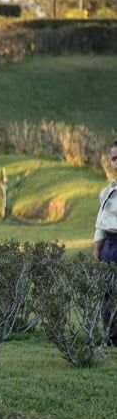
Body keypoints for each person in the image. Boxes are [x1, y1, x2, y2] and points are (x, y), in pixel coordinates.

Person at [92, 139, 117, 345]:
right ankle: (110, 337)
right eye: (114, 159)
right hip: (109, 245)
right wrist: (97, 250)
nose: (116, 162)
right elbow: (100, 224)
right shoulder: (107, 192)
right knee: (107, 291)